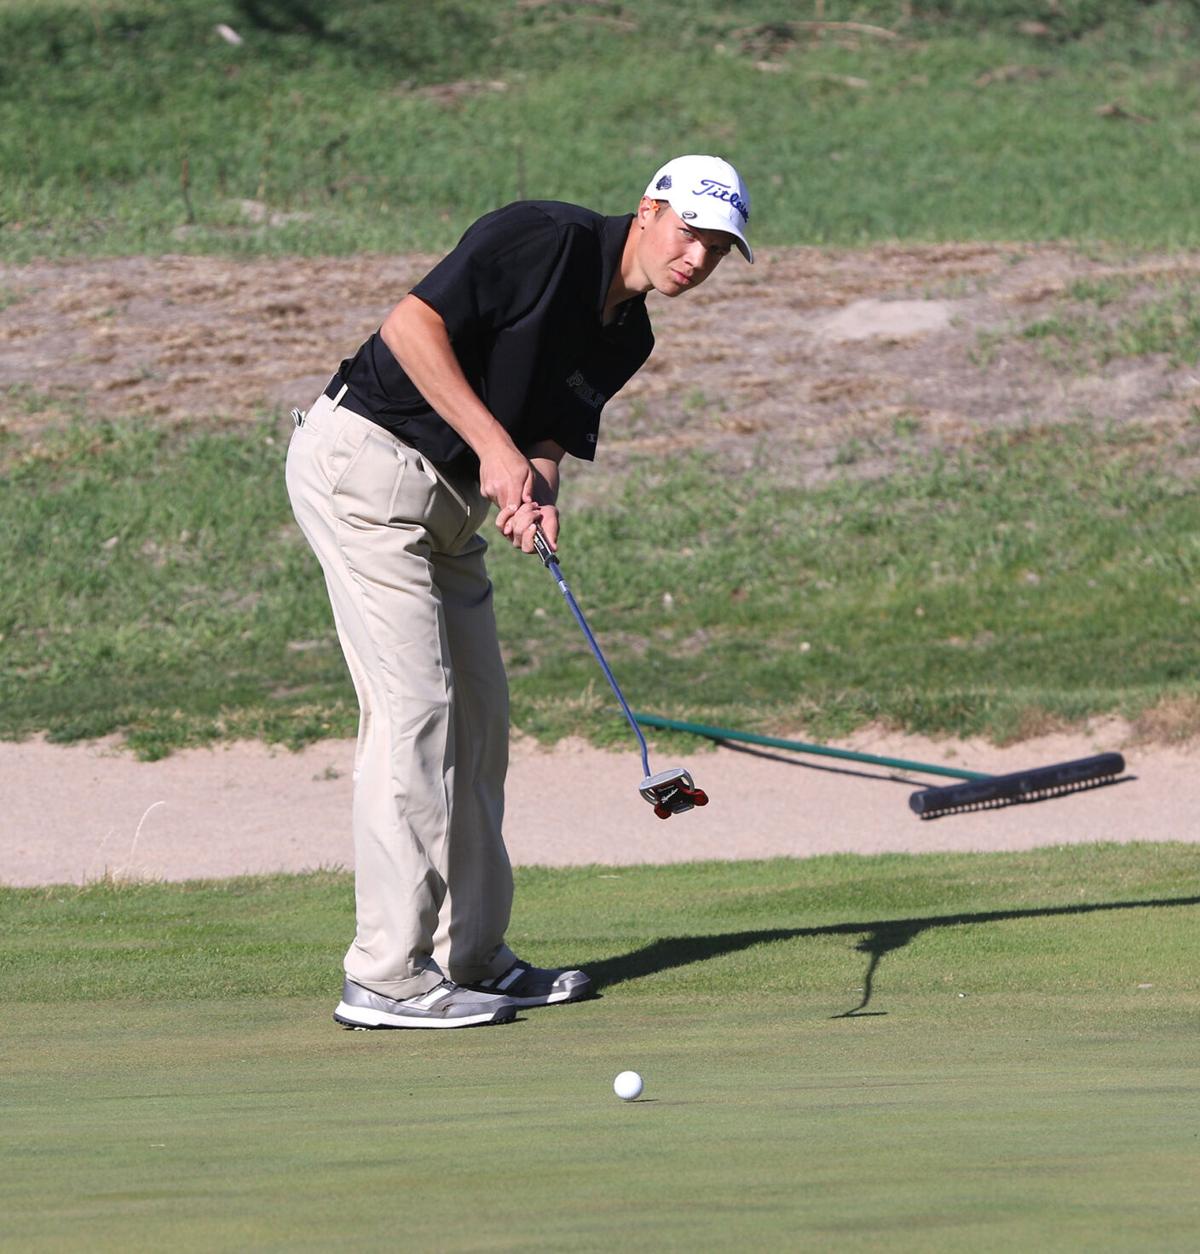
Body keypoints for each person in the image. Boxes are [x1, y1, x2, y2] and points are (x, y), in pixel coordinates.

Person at [285, 154, 753, 1029]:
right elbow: (410, 328)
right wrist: (494, 451)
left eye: (719, 251)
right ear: (649, 212)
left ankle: (474, 958)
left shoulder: (630, 335)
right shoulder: (544, 236)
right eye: (691, 234)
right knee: (415, 711)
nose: (698, 260)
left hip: (454, 510)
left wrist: (535, 487)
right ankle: (385, 976)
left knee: (482, 722)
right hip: (365, 469)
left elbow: (549, 432)